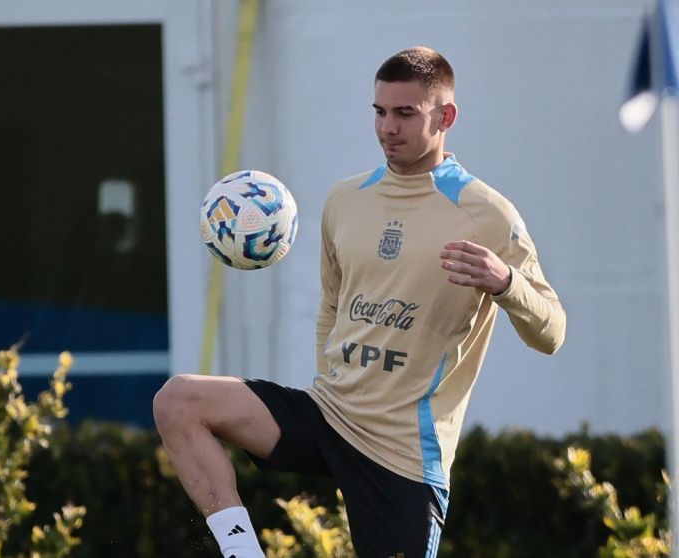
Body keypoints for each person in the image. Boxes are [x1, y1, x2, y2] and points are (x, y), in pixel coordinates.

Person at [153, 46, 566, 558]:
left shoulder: (487, 214)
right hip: (330, 413)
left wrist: (506, 282)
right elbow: (333, 306)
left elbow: (552, 331)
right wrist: (333, 384)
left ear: (446, 116)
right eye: (380, 112)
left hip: (402, 454)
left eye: (405, 114)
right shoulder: (345, 200)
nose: (387, 128)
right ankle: (242, 553)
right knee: (179, 400)